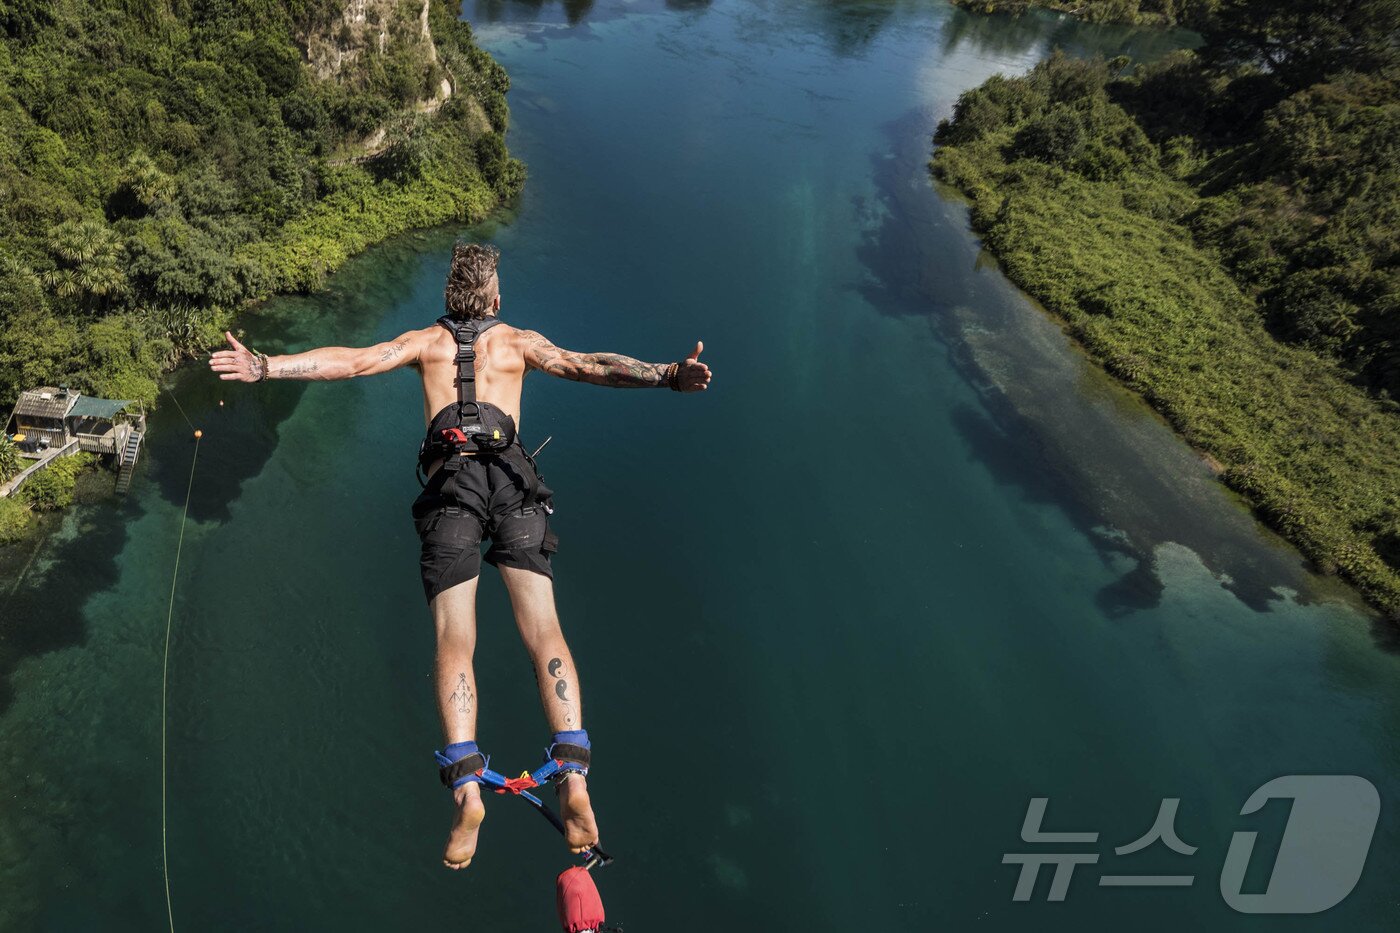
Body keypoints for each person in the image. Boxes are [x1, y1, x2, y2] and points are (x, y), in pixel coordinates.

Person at [210, 243, 711, 869]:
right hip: (515, 486)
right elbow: (589, 366)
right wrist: (666, 374)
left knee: (455, 637)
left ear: (448, 297)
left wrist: (265, 366)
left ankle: (467, 787)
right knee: (544, 629)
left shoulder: (424, 344)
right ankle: (573, 772)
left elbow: (353, 362)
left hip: (452, 491)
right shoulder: (519, 343)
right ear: (496, 299)